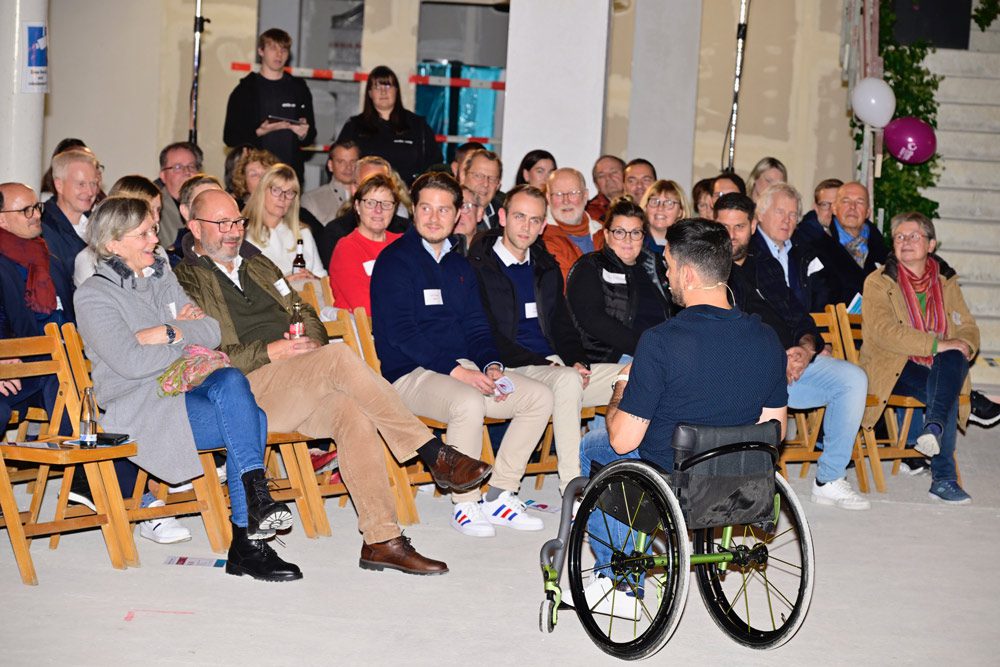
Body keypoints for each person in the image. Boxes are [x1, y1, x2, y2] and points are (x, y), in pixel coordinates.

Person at [175, 188, 491, 574]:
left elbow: (303, 310)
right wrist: (269, 351)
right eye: (220, 223)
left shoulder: (259, 265)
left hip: (297, 381)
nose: (232, 231)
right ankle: (431, 453)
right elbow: (201, 355)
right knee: (340, 357)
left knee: (352, 411)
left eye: (237, 221)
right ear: (193, 226)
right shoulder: (184, 280)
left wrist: (307, 342)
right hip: (243, 393)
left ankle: (382, 539)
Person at [75, 196, 302, 581]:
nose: (155, 239)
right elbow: (130, 364)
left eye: (152, 230)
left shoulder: (162, 275)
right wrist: (182, 340)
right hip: (141, 406)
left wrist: (164, 334)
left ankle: (253, 506)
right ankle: (248, 538)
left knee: (232, 382)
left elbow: (211, 332)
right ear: (114, 243)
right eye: (144, 233)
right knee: (251, 417)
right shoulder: (94, 296)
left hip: (184, 390)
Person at [578, 217, 788, 614]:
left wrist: (622, 385)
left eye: (670, 267)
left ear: (688, 274)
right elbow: (774, 432)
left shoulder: (660, 341)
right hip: (740, 481)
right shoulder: (768, 339)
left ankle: (617, 578)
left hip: (674, 483)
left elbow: (623, 441)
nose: (668, 275)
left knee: (595, 445)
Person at [370, 172, 553, 538]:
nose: (434, 218)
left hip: (461, 370)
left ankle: (501, 494)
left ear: (457, 215)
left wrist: (492, 366)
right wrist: (460, 372)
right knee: (468, 400)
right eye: (426, 208)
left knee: (538, 396)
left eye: (444, 210)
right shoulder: (394, 261)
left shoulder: (460, 266)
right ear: (414, 211)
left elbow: (477, 327)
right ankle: (466, 502)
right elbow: (403, 335)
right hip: (410, 374)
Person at [716, 193, 870, 509]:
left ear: (753, 226)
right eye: (724, 227)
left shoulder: (767, 266)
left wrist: (804, 349)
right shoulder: (712, 274)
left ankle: (829, 478)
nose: (731, 235)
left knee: (853, 378)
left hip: (793, 367)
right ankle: (747, 480)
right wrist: (777, 356)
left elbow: (800, 316)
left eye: (740, 226)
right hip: (749, 375)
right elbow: (733, 332)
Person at [467, 184, 623, 491]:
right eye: (519, 216)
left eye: (535, 220)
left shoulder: (545, 266)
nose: (526, 226)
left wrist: (577, 361)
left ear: (543, 226)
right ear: (502, 217)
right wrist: (551, 367)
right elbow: (487, 334)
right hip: (514, 368)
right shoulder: (478, 268)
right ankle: (574, 488)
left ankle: (626, 474)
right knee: (566, 381)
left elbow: (563, 325)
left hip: (556, 368)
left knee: (631, 375)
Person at [860, 212, 980, 504]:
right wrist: (939, 344)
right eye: (900, 237)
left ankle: (933, 427)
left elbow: (967, 327)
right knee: (947, 384)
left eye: (914, 236)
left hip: (936, 365)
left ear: (931, 244)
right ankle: (944, 477)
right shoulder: (879, 282)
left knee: (952, 362)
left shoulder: (946, 281)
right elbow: (884, 332)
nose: (906, 242)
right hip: (893, 366)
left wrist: (964, 344)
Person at [566, 197, 672, 364]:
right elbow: (592, 319)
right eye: (620, 232)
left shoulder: (655, 268)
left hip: (661, 353)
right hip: (616, 357)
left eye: (635, 232)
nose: (628, 240)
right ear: (607, 235)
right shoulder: (590, 266)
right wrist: (646, 348)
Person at [223, 28, 316, 182]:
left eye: (284, 49)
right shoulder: (245, 90)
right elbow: (230, 138)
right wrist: (259, 132)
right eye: (273, 48)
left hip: (289, 175)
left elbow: (310, 136)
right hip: (255, 176)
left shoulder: (299, 88)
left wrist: (303, 133)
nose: (279, 54)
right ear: (261, 51)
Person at [336, 65, 438, 185]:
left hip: (409, 196)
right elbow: (338, 164)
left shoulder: (417, 125)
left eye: (388, 85)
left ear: (396, 90)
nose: (383, 91)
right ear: (370, 93)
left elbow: (435, 165)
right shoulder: (354, 126)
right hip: (367, 196)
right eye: (377, 86)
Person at [312, 156, 410, 267]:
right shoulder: (336, 233)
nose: (376, 190)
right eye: (368, 184)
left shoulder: (407, 231)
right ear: (354, 189)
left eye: (383, 183)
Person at [74, 175, 168, 287]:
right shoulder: (89, 260)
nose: (156, 218)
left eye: (158, 210)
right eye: (149, 210)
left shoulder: (158, 252)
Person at [750, 182, 830, 312]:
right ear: (760, 214)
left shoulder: (805, 252)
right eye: (780, 212)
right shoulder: (748, 252)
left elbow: (821, 295)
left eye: (792, 214)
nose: (786, 220)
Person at [328, 173, 402, 313]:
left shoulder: (403, 244)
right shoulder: (347, 248)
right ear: (357, 206)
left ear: (394, 209)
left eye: (386, 204)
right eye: (370, 203)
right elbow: (364, 306)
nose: (378, 210)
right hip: (363, 330)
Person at [243, 163, 326, 280]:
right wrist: (285, 284)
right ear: (262, 191)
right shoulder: (244, 234)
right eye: (276, 190)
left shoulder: (303, 233)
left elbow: (323, 279)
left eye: (290, 192)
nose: (283, 198)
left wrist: (312, 278)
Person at [811, 181, 888, 306]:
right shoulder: (816, 250)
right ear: (834, 208)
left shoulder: (883, 253)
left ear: (868, 212)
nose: (852, 207)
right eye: (846, 201)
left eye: (860, 202)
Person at [41, 148, 100, 285]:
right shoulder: (43, 229)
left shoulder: (100, 223)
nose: (90, 191)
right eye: (81, 184)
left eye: (94, 183)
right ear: (59, 185)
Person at [541, 167, 603, 283]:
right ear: (548, 198)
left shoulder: (604, 233)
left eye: (573, 193)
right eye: (558, 194)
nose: (566, 201)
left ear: (585, 196)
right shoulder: (539, 236)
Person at [154, 142, 204, 253]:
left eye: (191, 166)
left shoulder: (208, 203)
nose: (187, 172)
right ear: (163, 176)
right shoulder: (155, 208)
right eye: (178, 167)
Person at [301, 139, 360, 226]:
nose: (348, 167)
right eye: (341, 162)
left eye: (353, 161)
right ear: (330, 165)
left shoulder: (370, 199)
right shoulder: (311, 200)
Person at [458, 148, 504, 231]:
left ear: (498, 185)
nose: (485, 184)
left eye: (492, 179)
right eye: (478, 176)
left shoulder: (504, 214)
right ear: (463, 176)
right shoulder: (452, 211)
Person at [640, 179, 688, 251]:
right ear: (645, 207)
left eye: (669, 203)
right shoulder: (633, 243)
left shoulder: (689, 247)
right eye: (654, 201)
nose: (660, 208)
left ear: (681, 211)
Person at [793, 178, 843, 247]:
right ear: (815, 208)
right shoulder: (802, 238)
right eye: (825, 204)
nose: (831, 211)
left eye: (837, 204)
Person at [585, 155, 626, 223]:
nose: (608, 178)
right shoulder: (588, 213)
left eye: (614, 172)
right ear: (596, 184)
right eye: (601, 176)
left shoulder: (641, 204)